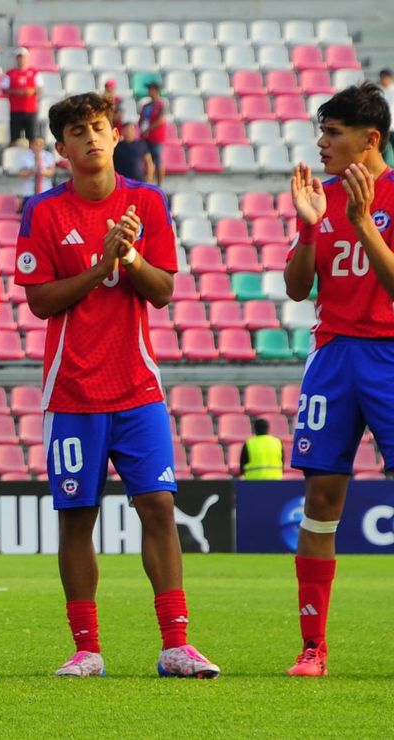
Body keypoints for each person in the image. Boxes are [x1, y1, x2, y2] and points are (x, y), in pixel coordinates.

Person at [14, 92, 219, 680]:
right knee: (77, 517)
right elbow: (38, 302)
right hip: (73, 392)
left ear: (114, 134)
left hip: (136, 388)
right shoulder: (44, 212)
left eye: (99, 127)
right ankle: (86, 649)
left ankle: (176, 644)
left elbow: (162, 291)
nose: (92, 139)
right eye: (78, 131)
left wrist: (126, 257)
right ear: (61, 148)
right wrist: (100, 268)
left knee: (158, 506)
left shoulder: (146, 202)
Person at [282, 82, 394, 678]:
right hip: (332, 359)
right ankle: (312, 646)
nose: (322, 144)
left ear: (370, 139)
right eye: (322, 132)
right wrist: (309, 228)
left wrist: (362, 223)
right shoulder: (318, 198)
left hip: (390, 356)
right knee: (321, 500)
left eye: (334, 133)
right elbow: (298, 289)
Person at [2, 47, 40, 143]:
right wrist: (18, 92)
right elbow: (4, 89)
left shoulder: (34, 72)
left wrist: (31, 91)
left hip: (30, 110)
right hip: (15, 110)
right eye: (19, 57)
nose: (21, 59)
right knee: (15, 137)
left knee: (32, 137)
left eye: (23, 57)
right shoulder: (10, 73)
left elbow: (39, 88)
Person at [138, 83, 167, 186]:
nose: (149, 92)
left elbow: (161, 120)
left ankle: (160, 184)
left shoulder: (161, 105)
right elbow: (141, 119)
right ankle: (147, 182)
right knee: (146, 160)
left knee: (157, 160)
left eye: (151, 89)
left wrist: (149, 129)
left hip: (156, 137)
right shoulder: (146, 105)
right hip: (145, 137)